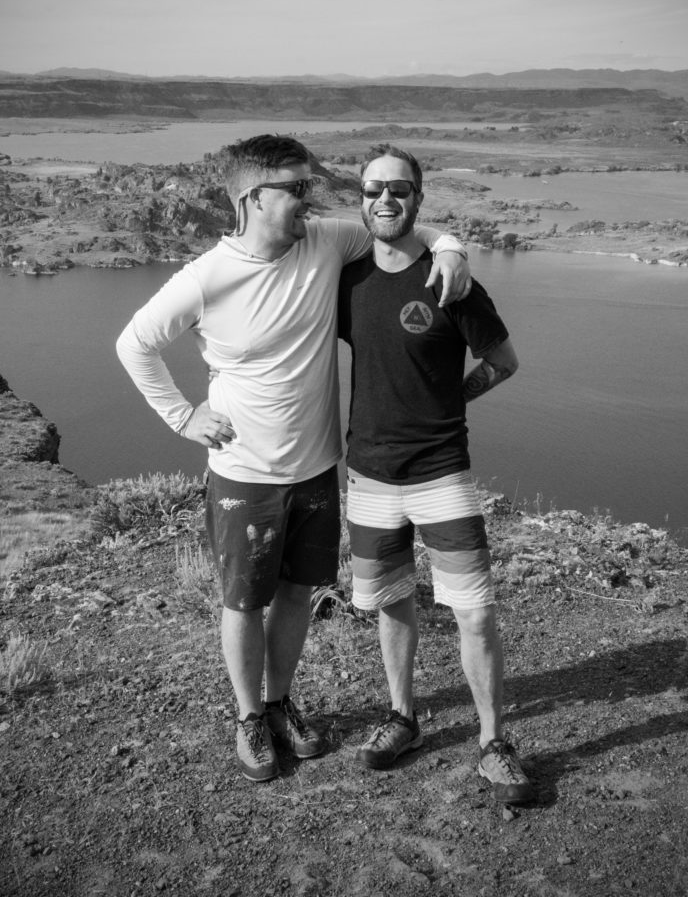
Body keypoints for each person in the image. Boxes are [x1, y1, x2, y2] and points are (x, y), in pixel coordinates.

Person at [116, 134, 471, 784]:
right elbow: (135, 343)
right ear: (253, 198)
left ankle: (279, 704)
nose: (311, 198)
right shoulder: (207, 277)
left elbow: (403, 227)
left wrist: (450, 248)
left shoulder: (326, 241)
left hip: (315, 469)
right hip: (244, 473)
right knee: (243, 601)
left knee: (297, 593)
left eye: (311, 186)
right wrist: (184, 417)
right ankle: (249, 717)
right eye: (297, 188)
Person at [338, 143, 534, 804]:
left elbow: (503, 361)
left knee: (474, 612)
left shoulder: (451, 280)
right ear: (361, 198)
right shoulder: (348, 281)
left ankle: (493, 743)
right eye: (373, 189)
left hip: (441, 473)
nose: (385, 199)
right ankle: (403, 718)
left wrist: (454, 398)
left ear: (418, 198)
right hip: (369, 475)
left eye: (399, 189)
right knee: (392, 602)